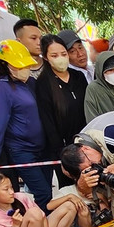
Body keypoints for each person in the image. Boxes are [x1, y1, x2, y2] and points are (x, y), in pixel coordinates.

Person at [0, 39, 51, 208]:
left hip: (43, 149)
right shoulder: (2, 88)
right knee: (43, 193)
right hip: (22, 151)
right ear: (6, 65)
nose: (24, 69)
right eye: (19, 66)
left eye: (25, 65)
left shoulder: (30, 83)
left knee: (47, 193)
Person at [35, 33, 89, 165]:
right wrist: (62, 153)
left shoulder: (79, 76)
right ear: (46, 58)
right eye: (54, 55)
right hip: (65, 150)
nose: (60, 59)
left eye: (63, 54)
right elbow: (48, 123)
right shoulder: (43, 83)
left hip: (87, 144)